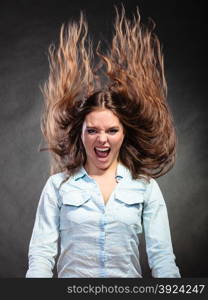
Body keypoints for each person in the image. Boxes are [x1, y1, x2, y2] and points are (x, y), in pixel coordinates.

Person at [26, 6, 181, 278]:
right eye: (92, 130)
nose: (101, 139)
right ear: (80, 133)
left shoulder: (145, 188)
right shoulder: (57, 187)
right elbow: (41, 255)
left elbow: (162, 258)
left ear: (124, 134)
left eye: (111, 130)